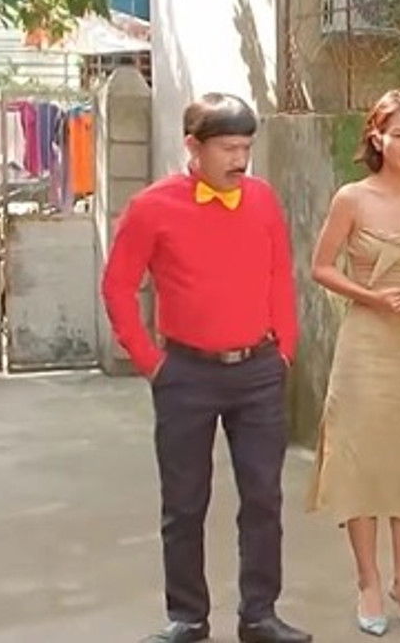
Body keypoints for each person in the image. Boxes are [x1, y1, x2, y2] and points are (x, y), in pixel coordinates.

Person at [101, 93, 311, 643]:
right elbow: (118, 286)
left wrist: (284, 348)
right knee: (184, 502)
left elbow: (279, 273)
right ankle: (188, 617)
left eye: (246, 148)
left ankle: (259, 614)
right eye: (228, 149)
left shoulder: (261, 199)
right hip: (186, 374)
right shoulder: (152, 207)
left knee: (263, 498)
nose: (240, 160)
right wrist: (150, 362)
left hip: (258, 369)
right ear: (193, 147)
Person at [305, 90, 400, 636]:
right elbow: (322, 266)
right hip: (365, 342)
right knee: (361, 460)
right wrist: (372, 297)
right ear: (377, 137)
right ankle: (368, 581)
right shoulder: (352, 198)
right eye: (399, 135)